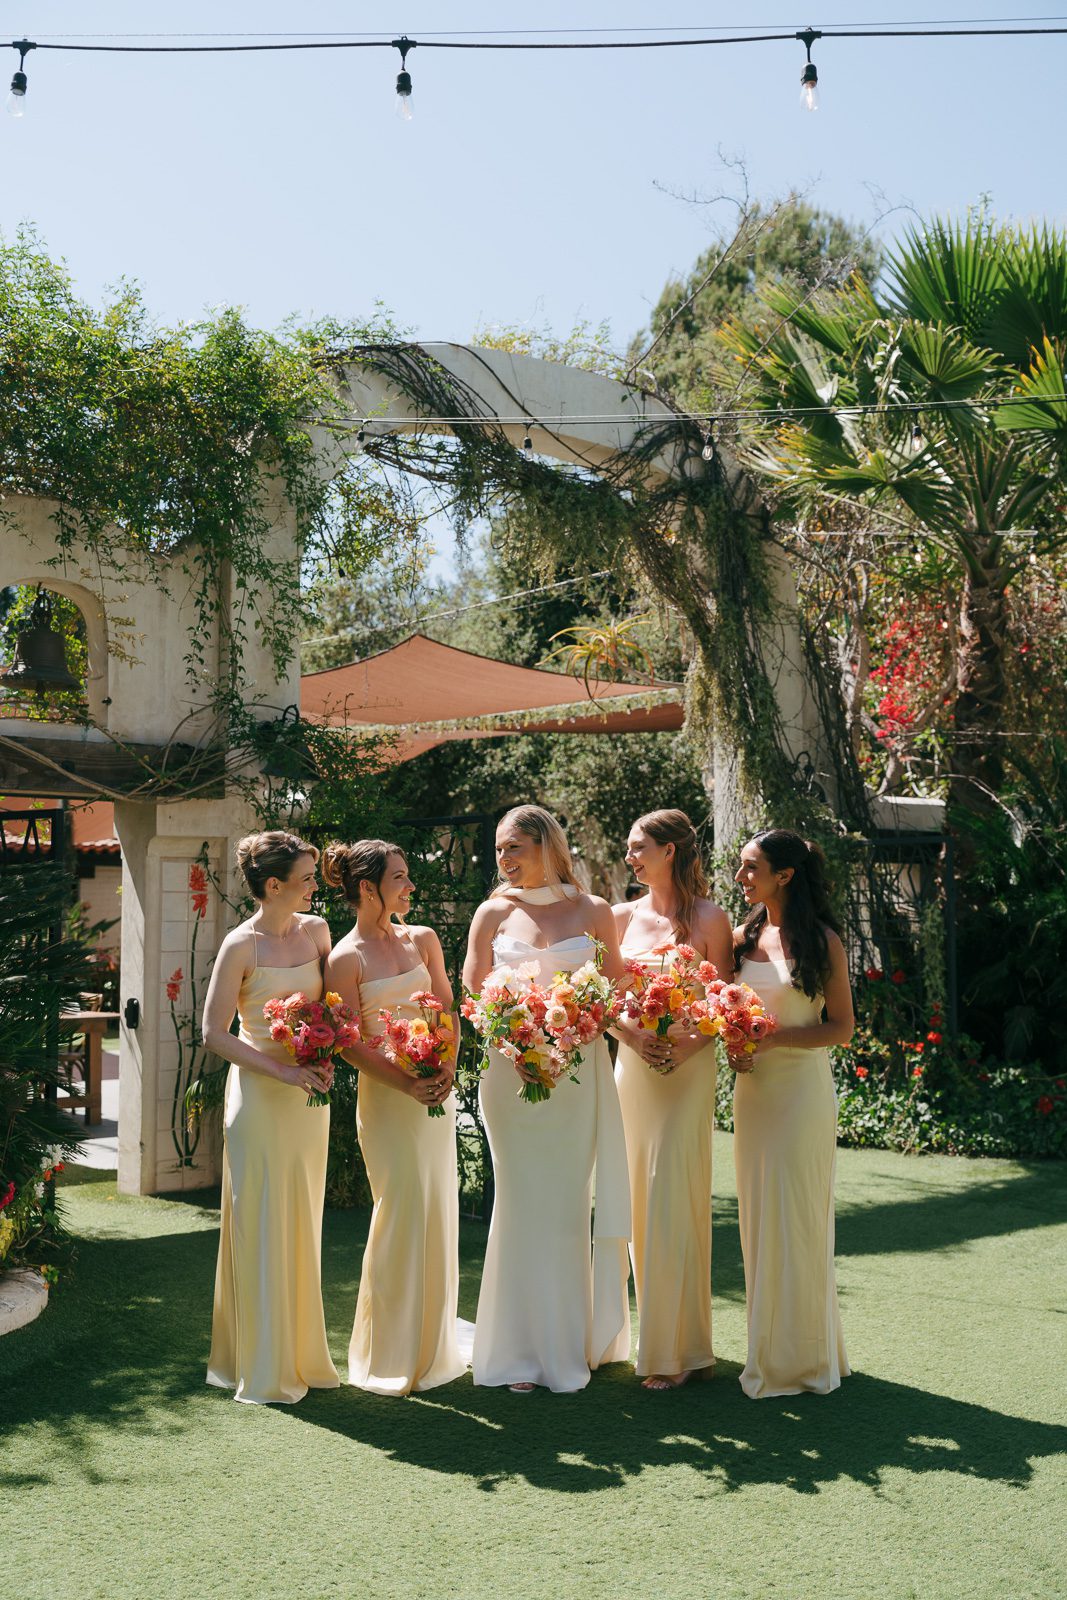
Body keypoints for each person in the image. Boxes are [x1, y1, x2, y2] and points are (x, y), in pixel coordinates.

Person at [463, 805, 631, 1393]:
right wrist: (514, 1029)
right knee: (519, 1200)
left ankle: (563, 1345)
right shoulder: (492, 912)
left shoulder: (594, 911)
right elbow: (473, 991)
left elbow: (616, 989)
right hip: (510, 1076)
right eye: (501, 851)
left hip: (577, 1074)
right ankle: (515, 1351)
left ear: (549, 847)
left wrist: (578, 1026)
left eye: (516, 849)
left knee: (564, 1204)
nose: (505, 860)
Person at [323, 839, 466, 1397]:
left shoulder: (423, 939)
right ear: (367, 888)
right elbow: (346, 1042)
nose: (410, 887)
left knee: (436, 1209)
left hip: (437, 1093)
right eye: (400, 878)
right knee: (399, 1212)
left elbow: (448, 1008)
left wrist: (445, 1068)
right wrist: (407, 1081)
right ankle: (389, 1354)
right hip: (387, 1099)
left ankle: (433, 1348)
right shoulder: (344, 958)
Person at [202, 830, 339, 1405]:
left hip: (311, 1099)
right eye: (308, 878)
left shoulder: (317, 931)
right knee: (261, 1222)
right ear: (274, 885)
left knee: (303, 1220)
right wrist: (280, 1072)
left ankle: (305, 1356)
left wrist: (329, 1051)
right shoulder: (240, 946)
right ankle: (260, 1366)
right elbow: (213, 1034)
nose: (316, 886)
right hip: (260, 1099)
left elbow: (333, 1006)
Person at [611, 809, 733, 1391]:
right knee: (636, 1199)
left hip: (687, 1070)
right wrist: (635, 1038)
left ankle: (679, 1349)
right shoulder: (616, 918)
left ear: (670, 851)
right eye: (629, 848)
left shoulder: (711, 918)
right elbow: (600, 1000)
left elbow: (724, 1002)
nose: (629, 857)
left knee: (674, 1195)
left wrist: (686, 1048)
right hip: (633, 1069)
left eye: (638, 848)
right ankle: (670, 1343)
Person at [730, 828, 854, 1398]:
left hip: (801, 1095)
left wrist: (775, 1040)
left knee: (798, 1217)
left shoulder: (823, 941)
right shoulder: (739, 939)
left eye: (751, 867)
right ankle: (768, 1352)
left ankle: (805, 1361)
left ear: (785, 875)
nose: (740, 877)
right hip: (752, 1098)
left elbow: (843, 1029)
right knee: (759, 1222)